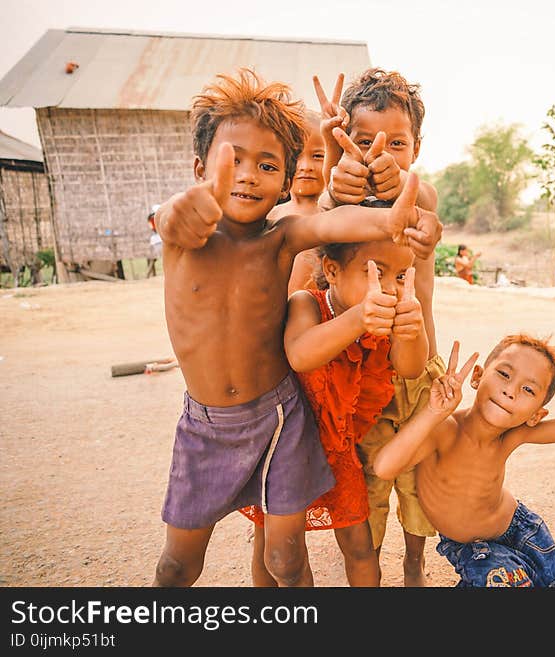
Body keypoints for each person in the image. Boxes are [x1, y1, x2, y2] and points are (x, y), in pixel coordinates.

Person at [149, 67, 441, 587]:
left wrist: (401, 218)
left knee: (285, 557)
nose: (245, 175)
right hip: (206, 426)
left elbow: (333, 223)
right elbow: (171, 216)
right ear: (199, 167)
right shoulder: (184, 236)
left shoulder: (281, 237)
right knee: (177, 566)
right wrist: (178, 209)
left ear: (284, 182)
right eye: (231, 160)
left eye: (265, 165)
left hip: (280, 417)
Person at [372, 334, 555, 587]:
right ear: (477, 376)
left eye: (528, 389)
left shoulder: (511, 435)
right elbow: (385, 466)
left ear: (536, 415)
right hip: (472, 547)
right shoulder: (444, 430)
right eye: (504, 374)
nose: (510, 391)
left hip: (522, 529)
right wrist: (434, 413)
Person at [316, 68, 444, 586]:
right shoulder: (341, 199)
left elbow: (426, 203)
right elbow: (323, 216)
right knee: (367, 485)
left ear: (417, 147)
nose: (379, 153)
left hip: (416, 373)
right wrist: (332, 173)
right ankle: (370, 567)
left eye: (397, 142)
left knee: (417, 483)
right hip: (361, 378)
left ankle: (414, 562)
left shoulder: (421, 196)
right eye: (364, 140)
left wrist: (405, 189)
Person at [241, 239, 428, 586]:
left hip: (338, 451)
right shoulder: (307, 303)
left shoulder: (388, 319)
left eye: (400, 275)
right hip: (285, 449)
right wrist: (361, 317)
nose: (389, 287)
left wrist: (412, 329)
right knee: (278, 550)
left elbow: (412, 367)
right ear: (332, 270)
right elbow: (301, 354)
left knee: (359, 545)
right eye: (375, 272)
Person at [267, 110, 325, 295]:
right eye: (296, 156)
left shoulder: (333, 214)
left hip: (319, 318)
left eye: (317, 156)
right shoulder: (271, 215)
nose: (305, 166)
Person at [146, 204, 163, 277]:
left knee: (156, 258)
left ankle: (148, 274)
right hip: (159, 239)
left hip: (157, 239)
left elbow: (152, 228)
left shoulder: (150, 218)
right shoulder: (153, 218)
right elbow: (153, 228)